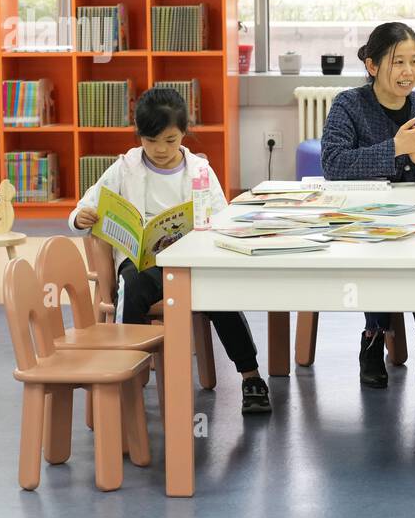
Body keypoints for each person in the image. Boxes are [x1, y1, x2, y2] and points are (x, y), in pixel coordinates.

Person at [69, 87, 269, 414]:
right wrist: (80, 218)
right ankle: (126, 374)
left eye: (170, 140)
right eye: (151, 140)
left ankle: (251, 376)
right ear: (139, 137)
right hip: (142, 264)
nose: (160, 150)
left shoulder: (200, 170)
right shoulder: (125, 168)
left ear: (184, 135)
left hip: (191, 263)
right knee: (130, 288)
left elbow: (222, 216)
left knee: (220, 296)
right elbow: (84, 206)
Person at [320, 21, 415, 388]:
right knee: (379, 256)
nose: (408, 72)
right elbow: (333, 164)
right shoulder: (349, 104)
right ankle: (373, 339)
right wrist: (396, 148)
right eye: (398, 62)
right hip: (367, 217)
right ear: (373, 66)